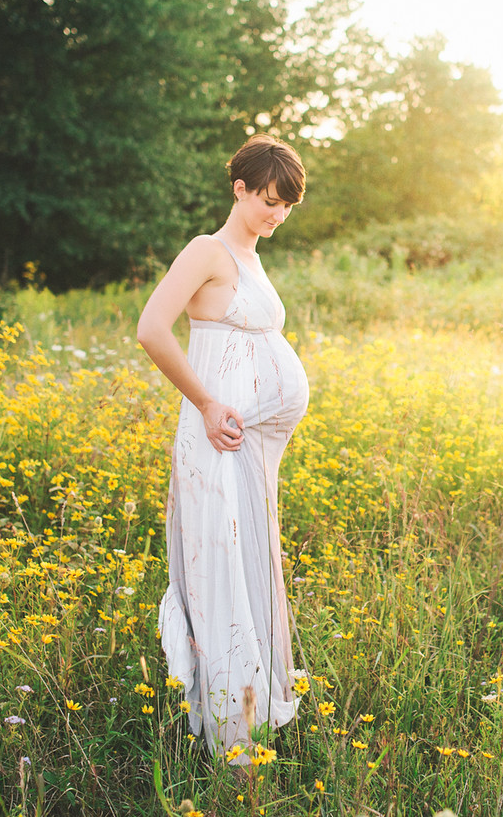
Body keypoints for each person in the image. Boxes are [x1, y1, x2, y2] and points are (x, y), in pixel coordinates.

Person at [136, 134, 309, 766]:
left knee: (249, 570)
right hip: (216, 439)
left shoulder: (253, 255)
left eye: (286, 205)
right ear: (238, 188)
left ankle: (254, 715)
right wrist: (208, 404)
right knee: (221, 576)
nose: (275, 214)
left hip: (250, 451)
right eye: (267, 200)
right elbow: (151, 328)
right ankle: (229, 740)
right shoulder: (206, 251)